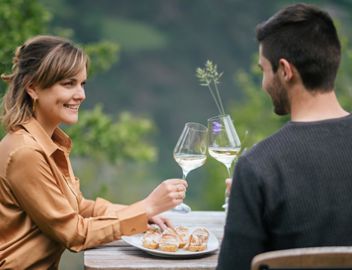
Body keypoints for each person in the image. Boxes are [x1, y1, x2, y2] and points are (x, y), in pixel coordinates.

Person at [0, 35, 188, 269]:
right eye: (68, 84)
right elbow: (74, 233)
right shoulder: (25, 152)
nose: (81, 95)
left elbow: (79, 207)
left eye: (82, 83)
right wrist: (146, 207)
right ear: (33, 88)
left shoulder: (47, 142)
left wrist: (138, 214)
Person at [217, 3, 352, 270]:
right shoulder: (258, 172)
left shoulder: (258, 168)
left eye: (263, 70)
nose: (264, 82)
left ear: (285, 70)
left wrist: (247, 196)